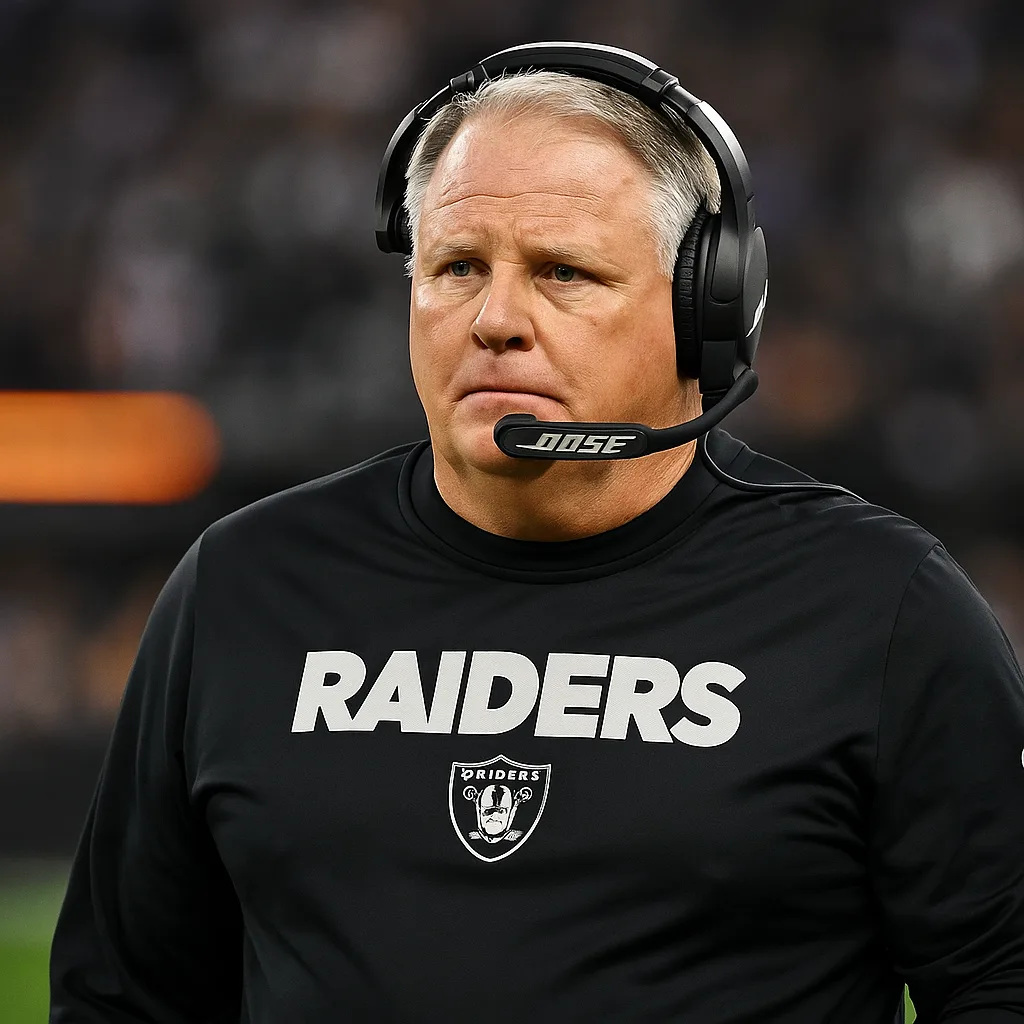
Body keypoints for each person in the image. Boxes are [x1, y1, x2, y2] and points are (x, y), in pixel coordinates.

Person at [50, 43, 1024, 1024]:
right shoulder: (242, 587)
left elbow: (1000, 978)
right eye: (456, 267)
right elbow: (121, 996)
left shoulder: (878, 606)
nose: (495, 319)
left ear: (706, 309)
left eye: (563, 271)